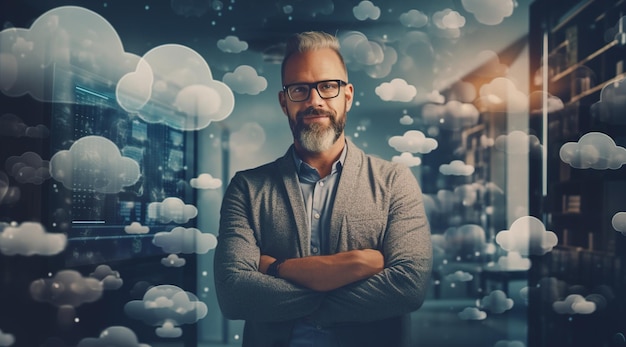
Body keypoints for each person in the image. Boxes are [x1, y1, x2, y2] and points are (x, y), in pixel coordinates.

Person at [213, 31, 433, 347]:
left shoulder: (395, 181)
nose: (315, 101)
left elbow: (408, 287)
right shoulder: (247, 188)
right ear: (284, 102)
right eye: (299, 89)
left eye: (328, 86)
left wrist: (275, 269)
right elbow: (235, 295)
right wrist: (356, 266)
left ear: (347, 96)